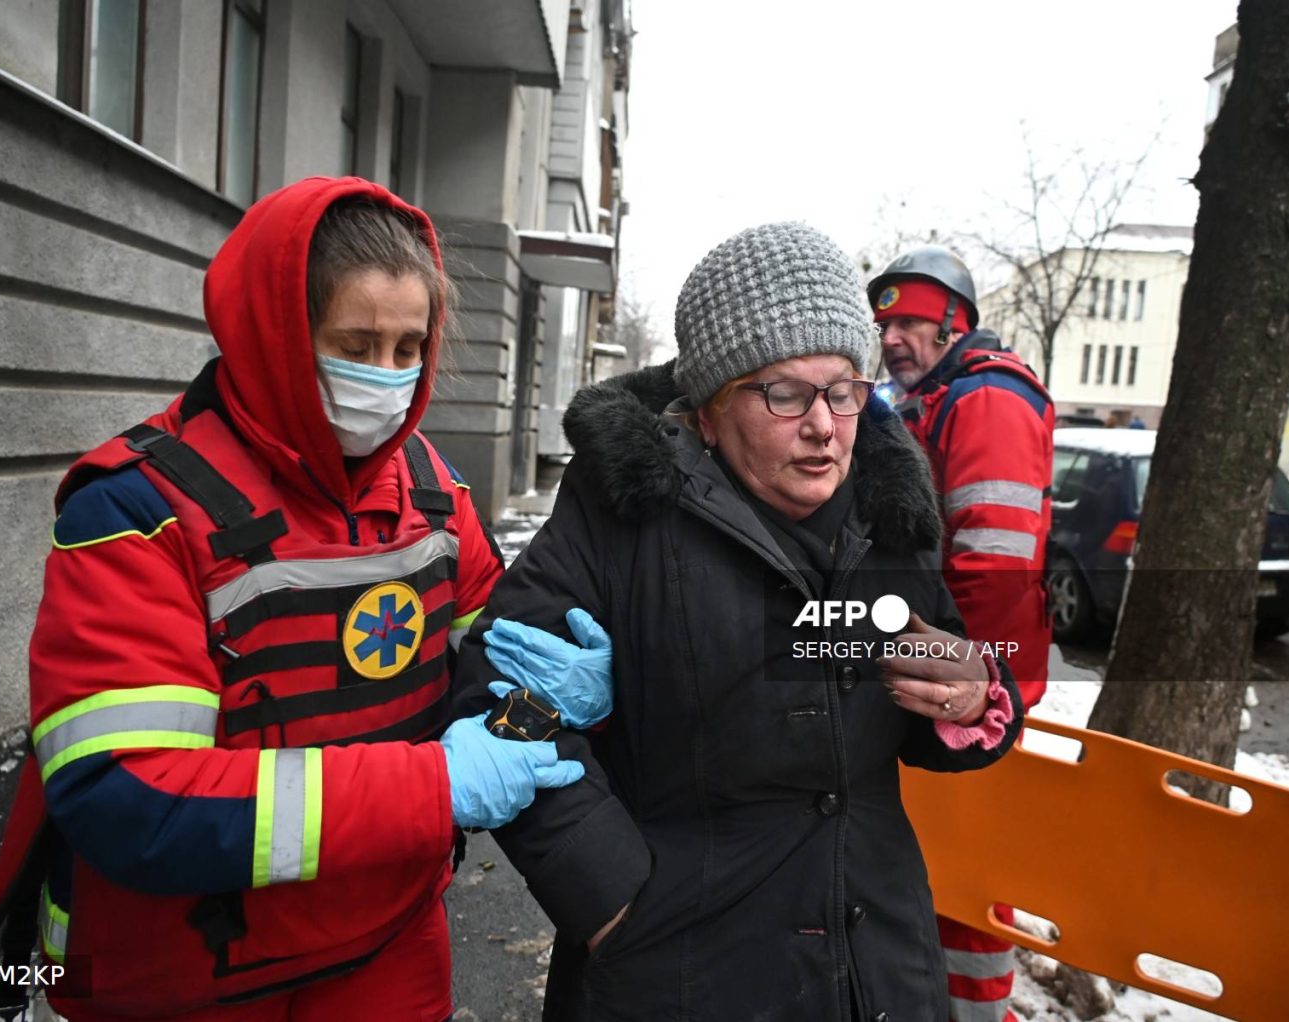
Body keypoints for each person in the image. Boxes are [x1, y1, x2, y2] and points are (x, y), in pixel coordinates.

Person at [0, 177, 605, 1021]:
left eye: (408, 346)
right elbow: (134, 799)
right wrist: (434, 788)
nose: (386, 378)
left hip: (387, 945)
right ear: (277, 335)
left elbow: (487, 650)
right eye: (356, 342)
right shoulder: (136, 510)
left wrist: (554, 682)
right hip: (186, 973)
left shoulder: (431, 491)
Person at [450, 222, 1025, 1021]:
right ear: (710, 410)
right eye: (785, 394)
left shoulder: (889, 510)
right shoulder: (623, 512)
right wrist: (615, 903)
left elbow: (946, 678)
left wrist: (969, 696)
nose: (825, 426)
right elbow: (500, 708)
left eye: (844, 389)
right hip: (679, 974)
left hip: (877, 971)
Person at [868, 245, 1055, 1022]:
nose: (892, 338)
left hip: (968, 691)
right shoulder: (930, 400)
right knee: (937, 875)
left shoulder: (985, 400)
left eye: (911, 321)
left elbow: (996, 562)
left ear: (954, 324)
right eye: (886, 323)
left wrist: (971, 692)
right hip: (943, 680)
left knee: (967, 895)